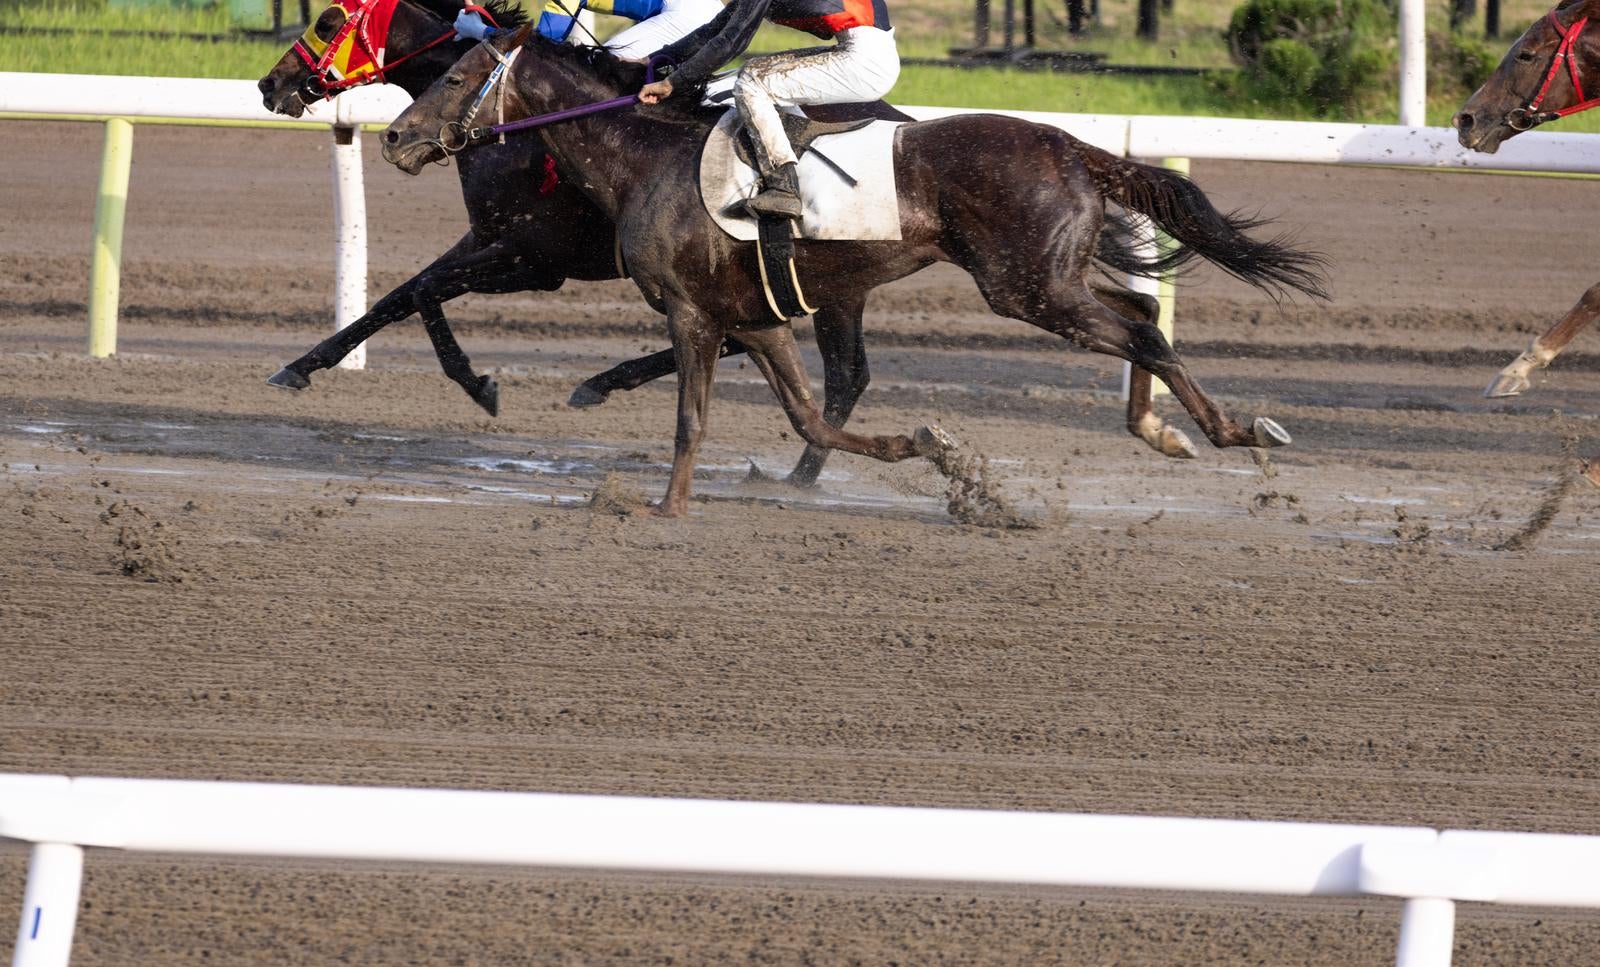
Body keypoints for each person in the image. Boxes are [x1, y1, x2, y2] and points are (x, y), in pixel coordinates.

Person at [636, 0, 898, 219]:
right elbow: (716, 29)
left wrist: (674, 83)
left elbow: (730, 42)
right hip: (861, 51)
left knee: (752, 83)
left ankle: (783, 187)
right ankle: (796, 163)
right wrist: (656, 58)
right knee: (754, 72)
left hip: (865, 62)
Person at [454, 0, 723, 62]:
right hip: (699, 11)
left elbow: (541, 51)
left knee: (599, 67)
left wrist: (479, 30)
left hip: (691, 17)